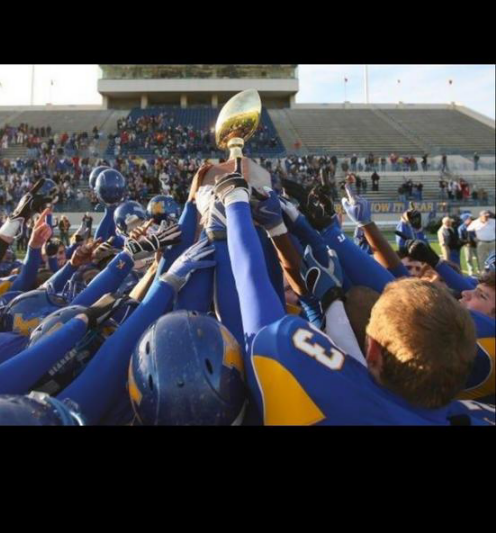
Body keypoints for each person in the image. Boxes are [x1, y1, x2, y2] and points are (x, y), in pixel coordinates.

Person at [211, 170, 492, 425]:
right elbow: (394, 287)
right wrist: (313, 231)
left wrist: (235, 204)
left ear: (373, 353)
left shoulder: (344, 404)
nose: (466, 292)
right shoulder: (475, 411)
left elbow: (260, 326)